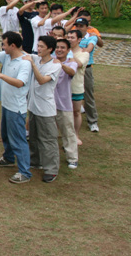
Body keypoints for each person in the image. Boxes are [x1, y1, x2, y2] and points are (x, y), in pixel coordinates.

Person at [0, 31, 33, 184]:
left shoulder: (24, 63)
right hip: (6, 104)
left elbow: (20, 83)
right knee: (6, 135)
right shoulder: (7, 56)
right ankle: (8, 158)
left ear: (12, 45)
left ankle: (24, 172)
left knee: (18, 140)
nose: (3, 47)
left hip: (16, 107)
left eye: (4, 44)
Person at [24, 36, 63, 183]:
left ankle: (51, 170)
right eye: (38, 46)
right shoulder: (36, 58)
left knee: (48, 139)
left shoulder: (55, 65)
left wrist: (32, 65)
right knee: (33, 137)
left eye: (42, 47)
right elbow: (22, 53)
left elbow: (41, 80)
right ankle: (35, 161)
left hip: (46, 110)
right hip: (33, 107)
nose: (38, 49)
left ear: (50, 49)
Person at [53, 38, 79, 169]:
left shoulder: (71, 63)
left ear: (68, 50)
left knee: (68, 132)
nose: (59, 50)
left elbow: (72, 72)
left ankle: (72, 158)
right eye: (57, 47)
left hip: (64, 103)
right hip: (49, 103)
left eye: (62, 48)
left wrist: (61, 65)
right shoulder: (50, 61)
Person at [74, 18, 100, 132]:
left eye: (81, 26)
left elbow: (89, 48)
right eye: (77, 26)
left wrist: (83, 51)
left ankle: (93, 121)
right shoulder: (73, 37)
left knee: (88, 95)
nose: (79, 28)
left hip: (86, 69)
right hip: (73, 68)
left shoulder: (91, 37)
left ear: (86, 27)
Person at [66, 29, 89, 146]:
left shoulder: (84, 53)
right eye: (68, 37)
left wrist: (69, 53)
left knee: (76, 112)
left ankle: (76, 135)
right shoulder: (63, 51)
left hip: (76, 87)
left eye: (72, 38)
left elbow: (78, 64)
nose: (70, 40)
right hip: (63, 88)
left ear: (79, 40)